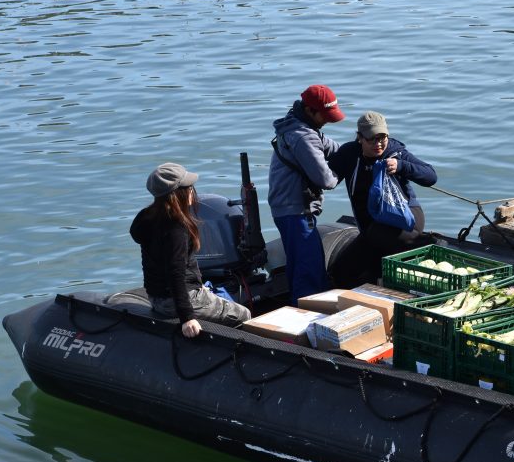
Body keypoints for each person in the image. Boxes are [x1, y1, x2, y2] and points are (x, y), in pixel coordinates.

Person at [131, 163, 251, 338]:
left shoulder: (146, 217)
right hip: (179, 299)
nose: (192, 191)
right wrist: (187, 316)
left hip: (156, 298)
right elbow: (175, 272)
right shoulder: (175, 227)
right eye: (188, 187)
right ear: (176, 193)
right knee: (243, 314)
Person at [327, 111, 438, 288]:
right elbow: (327, 177)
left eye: (383, 138)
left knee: (377, 238)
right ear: (360, 138)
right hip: (371, 228)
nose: (379, 144)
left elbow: (430, 176)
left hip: (407, 219)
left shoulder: (396, 152)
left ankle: (429, 242)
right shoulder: (349, 154)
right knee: (341, 271)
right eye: (372, 139)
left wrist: (401, 166)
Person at [268, 85, 346, 306]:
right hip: (295, 211)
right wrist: (347, 168)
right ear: (310, 110)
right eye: (326, 115)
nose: (328, 121)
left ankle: (297, 307)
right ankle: (304, 325)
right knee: (308, 273)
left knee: (298, 265)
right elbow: (327, 180)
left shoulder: (296, 123)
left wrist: (355, 149)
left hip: (285, 208)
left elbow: (331, 147)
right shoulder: (303, 137)